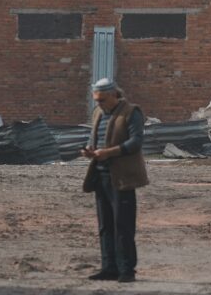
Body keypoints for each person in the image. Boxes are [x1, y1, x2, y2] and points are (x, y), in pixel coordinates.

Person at [81, 78, 148, 283]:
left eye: (101, 100)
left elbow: (135, 143)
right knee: (105, 225)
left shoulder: (131, 112)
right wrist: (89, 151)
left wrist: (108, 153)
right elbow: (94, 139)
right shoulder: (98, 113)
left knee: (123, 225)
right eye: (96, 100)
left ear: (113, 94)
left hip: (122, 178)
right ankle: (109, 268)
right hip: (100, 176)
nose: (98, 104)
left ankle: (127, 270)